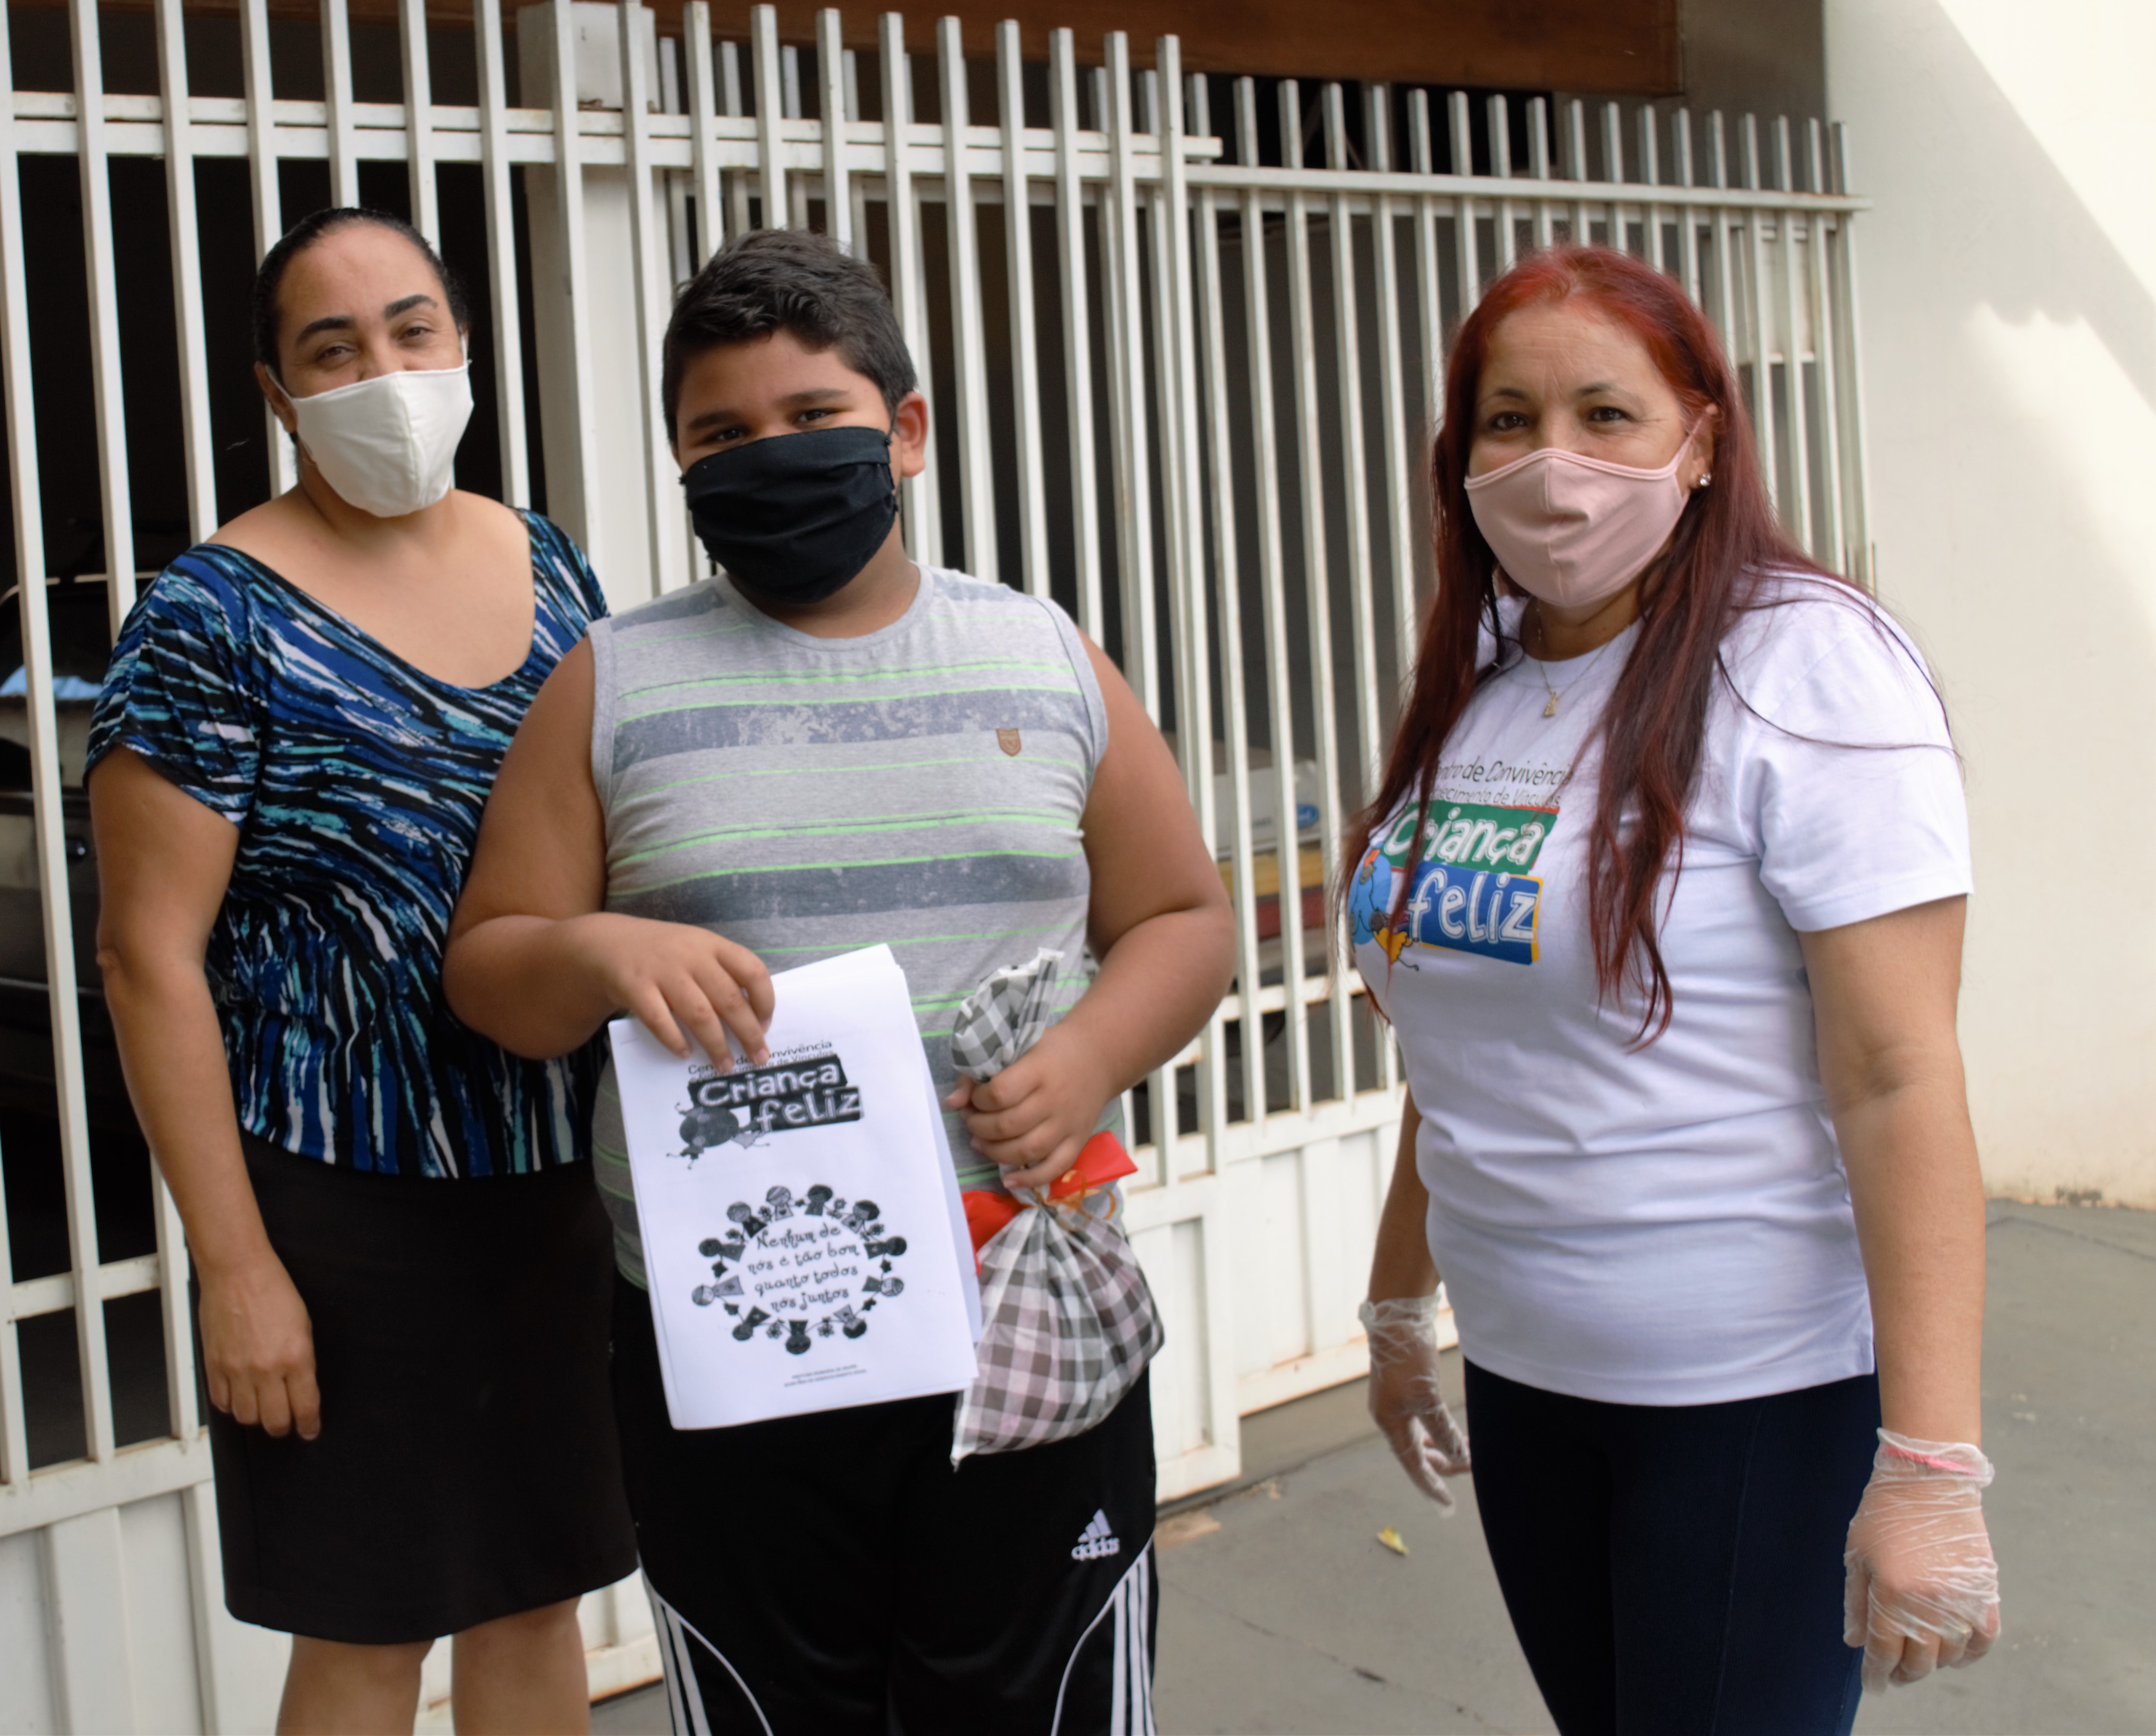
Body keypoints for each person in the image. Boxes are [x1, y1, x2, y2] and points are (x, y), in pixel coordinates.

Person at [442, 229, 1236, 1736]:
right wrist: (601, 951)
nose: (769, 457)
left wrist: (1087, 1056)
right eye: (721, 434)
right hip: (735, 1333)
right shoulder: (611, 683)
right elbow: (492, 971)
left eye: (812, 420)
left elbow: (1185, 917)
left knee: (1041, 1708)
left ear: (906, 431)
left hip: (1020, 1307)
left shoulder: (1044, 656)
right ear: (679, 460)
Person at [1346, 243, 2000, 1735]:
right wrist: (1402, 1299)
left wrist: (1930, 1460)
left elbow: (1898, 1075)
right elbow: (1456, 1026)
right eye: (1506, 420)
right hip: (1528, 1370)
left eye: (1605, 414)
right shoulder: (1491, 671)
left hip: (1745, 1394)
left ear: (1701, 437)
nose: (1548, 462)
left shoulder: (1808, 670)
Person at [87, 209, 631, 1735]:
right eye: (333, 347)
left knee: (538, 1598)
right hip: (332, 1196)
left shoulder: (549, 564)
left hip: (546, 1174)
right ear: (277, 389)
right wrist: (237, 1264)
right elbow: (147, 957)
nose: (382, 369)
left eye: (411, 329)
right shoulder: (211, 618)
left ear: (463, 346)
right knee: (368, 1633)